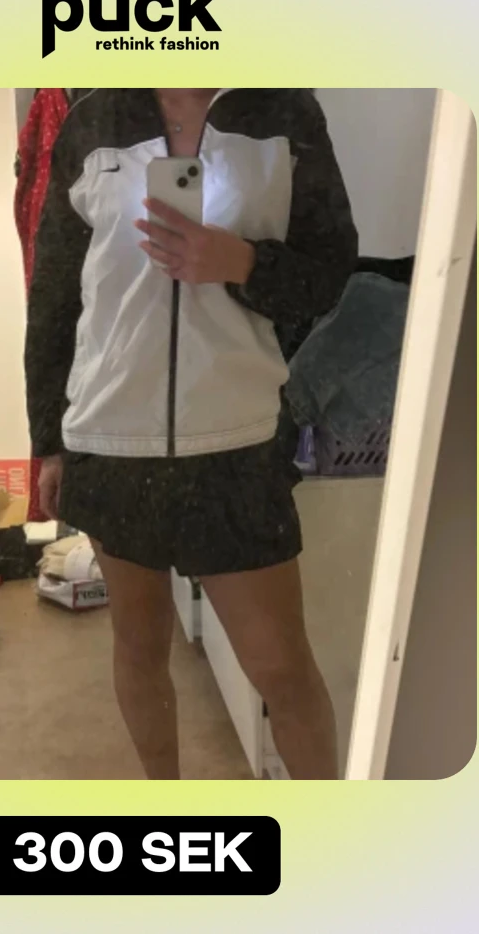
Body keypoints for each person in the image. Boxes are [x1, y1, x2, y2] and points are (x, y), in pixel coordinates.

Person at [25, 88, 358, 779]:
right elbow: (54, 295)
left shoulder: (284, 112)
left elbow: (329, 272)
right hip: (110, 439)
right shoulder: (92, 121)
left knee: (283, 667)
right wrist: (47, 439)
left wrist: (242, 264)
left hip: (236, 445)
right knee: (139, 647)